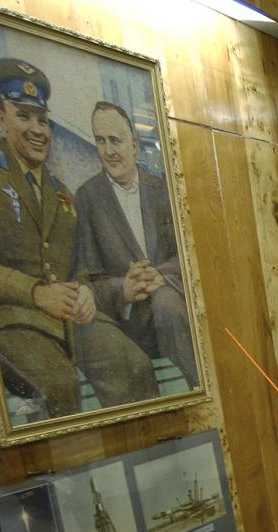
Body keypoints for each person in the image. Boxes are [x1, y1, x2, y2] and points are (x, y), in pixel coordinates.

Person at [0, 59, 156, 419]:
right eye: (24, 117)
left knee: (134, 365)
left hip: (69, 319)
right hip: (14, 318)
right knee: (57, 384)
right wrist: (35, 292)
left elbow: (77, 266)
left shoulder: (61, 193)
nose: (37, 130)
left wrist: (84, 292)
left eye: (43, 120)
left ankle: (143, 453)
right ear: (1, 118)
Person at [73, 101, 198, 386]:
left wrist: (160, 275)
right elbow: (84, 276)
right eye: (100, 141)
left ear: (134, 145)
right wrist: (123, 289)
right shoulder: (87, 198)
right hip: (128, 324)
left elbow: (190, 254)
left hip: (173, 312)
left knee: (166, 301)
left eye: (115, 140)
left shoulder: (162, 190)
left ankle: (196, 389)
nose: (108, 151)